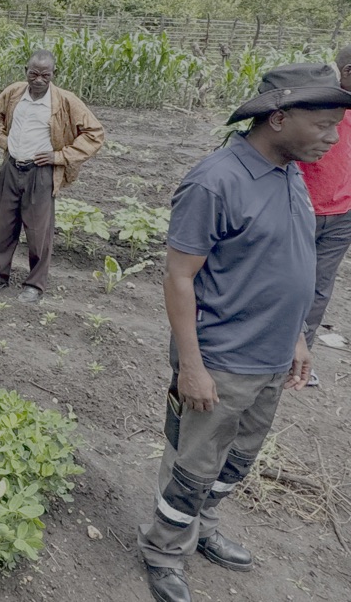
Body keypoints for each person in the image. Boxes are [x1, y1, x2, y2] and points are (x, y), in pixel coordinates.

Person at [136, 63, 350, 602]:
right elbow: (179, 277)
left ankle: (201, 524)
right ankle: (164, 550)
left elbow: (293, 263)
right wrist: (192, 365)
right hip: (223, 359)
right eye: (324, 123)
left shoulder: (289, 173)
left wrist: (299, 338)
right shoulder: (216, 180)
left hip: (274, 355)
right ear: (278, 118)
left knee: (237, 458)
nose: (334, 135)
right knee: (193, 462)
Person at [0, 50, 104, 303]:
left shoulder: (65, 101)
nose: (38, 80)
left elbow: (94, 133)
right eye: (33, 73)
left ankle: (34, 284)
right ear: (26, 71)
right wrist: (4, 141)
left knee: (38, 232)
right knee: (4, 224)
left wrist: (60, 156)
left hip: (41, 172)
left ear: (53, 74)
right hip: (11, 167)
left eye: (45, 75)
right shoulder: (14, 93)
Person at [295, 46, 351, 387]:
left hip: (342, 213)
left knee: (318, 289)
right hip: (302, 208)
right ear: (347, 71)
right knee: (287, 282)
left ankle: (302, 357)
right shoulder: (319, 104)